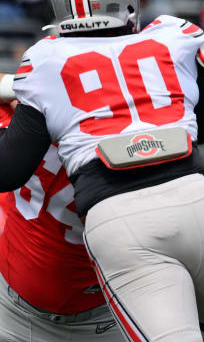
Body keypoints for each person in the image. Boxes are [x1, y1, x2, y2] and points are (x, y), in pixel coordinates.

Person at [0, 0, 204, 342]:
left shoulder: (45, 65)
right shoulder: (171, 37)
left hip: (116, 221)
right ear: (129, 2)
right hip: (198, 198)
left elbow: (9, 169)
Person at [0, 76, 122, 341]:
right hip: (10, 304)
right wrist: (15, 85)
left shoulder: (124, 143)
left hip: (101, 318)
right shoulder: (25, 112)